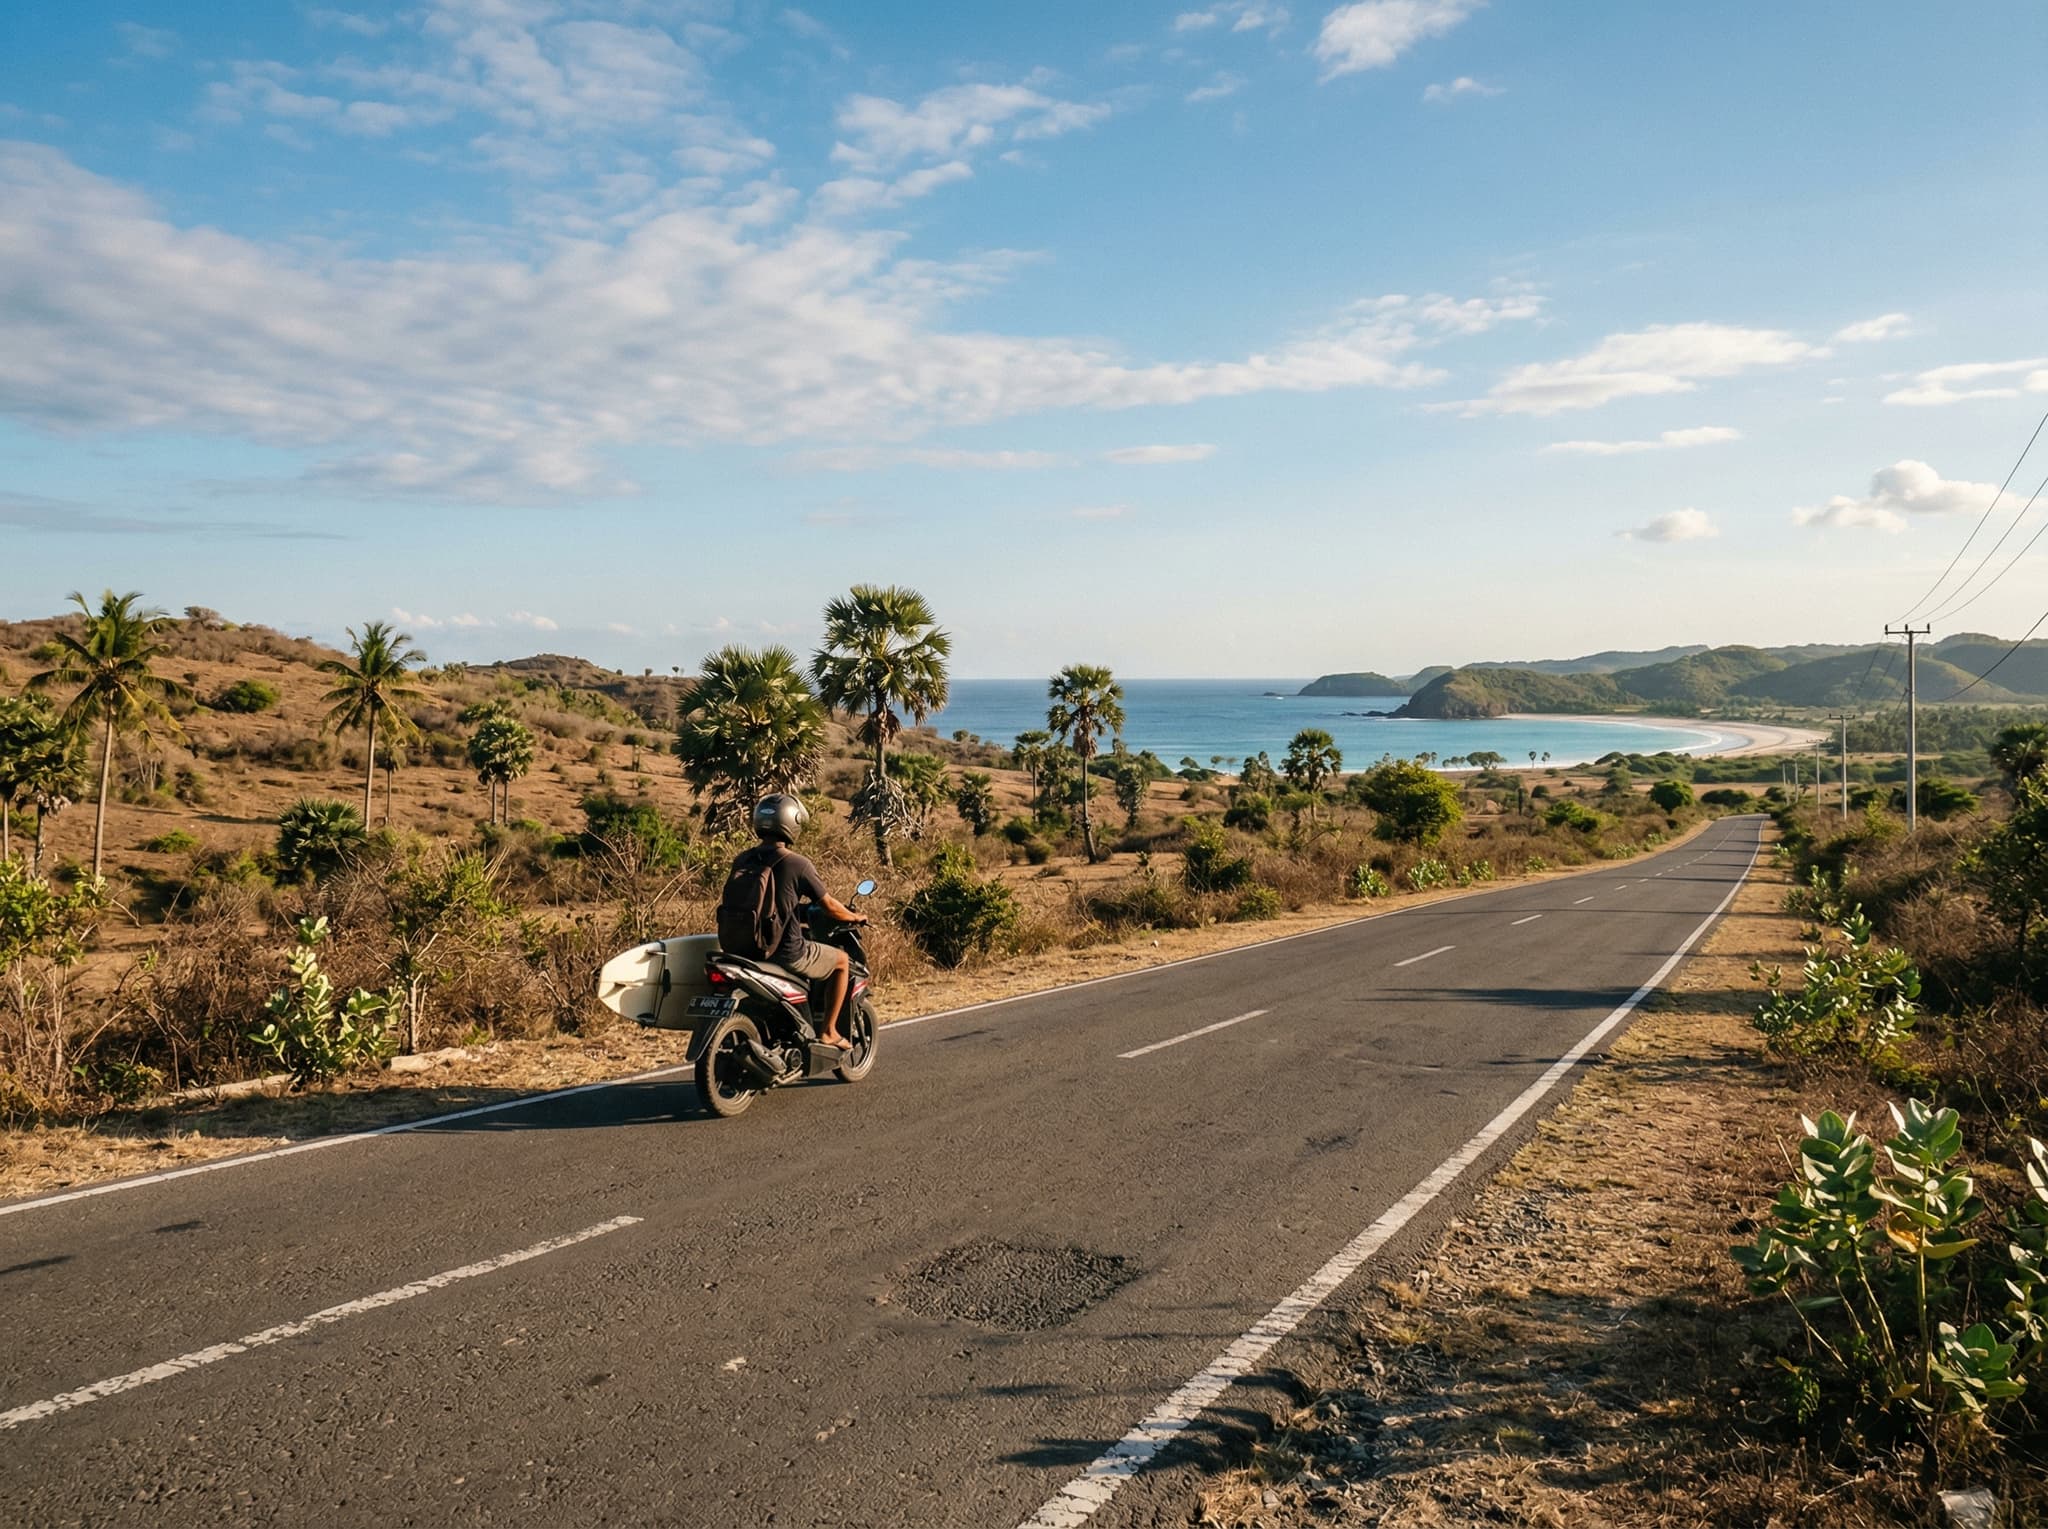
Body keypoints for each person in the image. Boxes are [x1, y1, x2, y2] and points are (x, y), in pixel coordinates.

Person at [728, 794, 866, 1048]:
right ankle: (829, 1031)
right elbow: (830, 906)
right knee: (841, 961)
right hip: (786, 952)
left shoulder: (742, 859)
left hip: (741, 948)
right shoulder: (797, 863)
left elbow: (770, 904)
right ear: (792, 822)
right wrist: (855, 917)